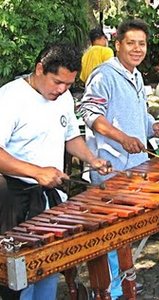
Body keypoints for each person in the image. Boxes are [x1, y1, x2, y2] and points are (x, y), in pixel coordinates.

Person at [0, 42, 110, 300]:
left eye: (68, 84)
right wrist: (37, 172)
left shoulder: (64, 99)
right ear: (40, 68)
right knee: (20, 277)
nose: (61, 90)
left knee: (49, 265)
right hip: (14, 199)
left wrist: (92, 159)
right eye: (57, 82)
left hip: (50, 198)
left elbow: (70, 137)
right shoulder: (9, 98)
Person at [79, 19, 159, 299]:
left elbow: (139, 116)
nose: (137, 49)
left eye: (141, 44)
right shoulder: (103, 76)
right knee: (111, 230)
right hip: (110, 167)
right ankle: (107, 289)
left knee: (126, 228)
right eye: (131, 43)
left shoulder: (137, 75)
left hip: (135, 167)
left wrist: (151, 126)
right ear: (117, 44)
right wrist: (122, 139)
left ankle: (121, 281)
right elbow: (91, 116)